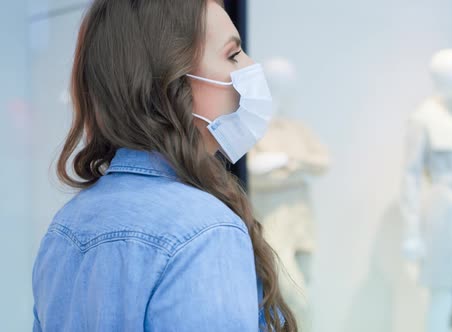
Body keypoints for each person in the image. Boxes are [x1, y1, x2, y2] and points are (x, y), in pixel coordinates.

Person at [31, 1, 297, 331]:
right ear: (172, 81)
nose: (251, 66)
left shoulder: (66, 226)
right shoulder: (206, 231)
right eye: (232, 54)